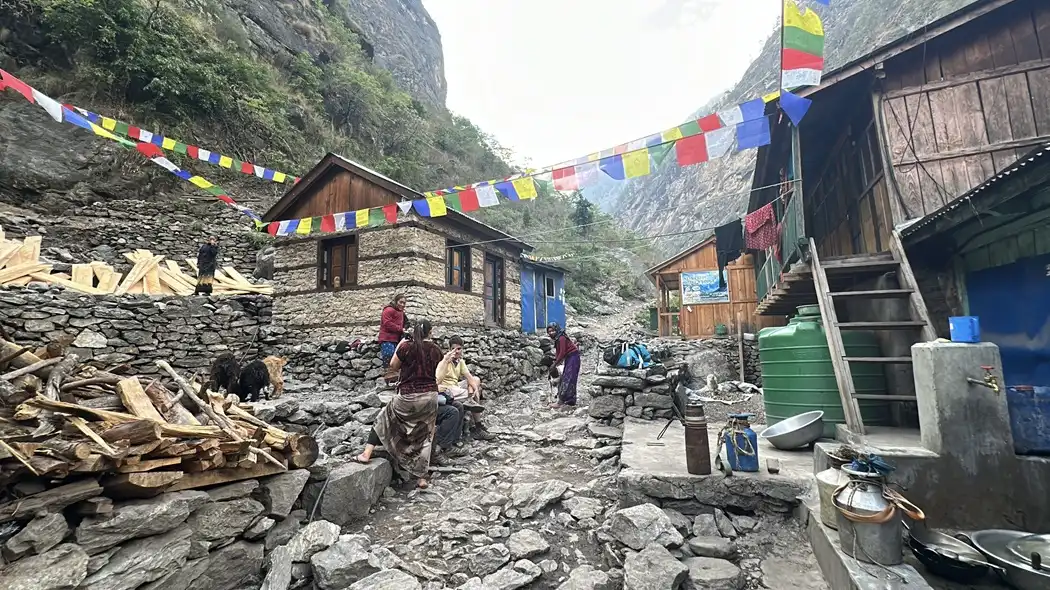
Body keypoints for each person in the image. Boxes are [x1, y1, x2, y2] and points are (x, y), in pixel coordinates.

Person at [356, 319, 441, 489]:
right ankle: (421, 477)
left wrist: (402, 342)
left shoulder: (406, 347)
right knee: (425, 435)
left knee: (383, 418)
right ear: (430, 332)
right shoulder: (436, 349)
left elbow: (394, 366)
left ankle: (367, 453)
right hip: (430, 396)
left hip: (407, 397)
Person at [436, 337, 494, 441]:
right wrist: (447, 361)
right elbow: (438, 379)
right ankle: (478, 426)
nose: (456, 351)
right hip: (446, 389)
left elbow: (469, 377)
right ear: (449, 349)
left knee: (476, 380)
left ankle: (470, 399)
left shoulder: (460, 362)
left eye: (459, 349)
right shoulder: (445, 360)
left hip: (456, 386)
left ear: (462, 349)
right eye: (453, 349)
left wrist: (475, 389)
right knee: (470, 387)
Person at [546, 322, 580, 410]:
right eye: (549, 331)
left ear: (556, 330)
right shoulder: (558, 338)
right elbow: (559, 352)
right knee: (570, 378)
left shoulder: (561, 338)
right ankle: (570, 400)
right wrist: (556, 360)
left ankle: (560, 402)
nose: (551, 333)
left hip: (573, 358)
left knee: (567, 379)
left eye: (553, 331)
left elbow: (562, 353)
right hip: (570, 358)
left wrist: (555, 364)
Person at [378, 294, 409, 367]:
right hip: (387, 339)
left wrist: (405, 328)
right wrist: (401, 329)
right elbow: (387, 324)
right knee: (389, 356)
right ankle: (388, 374)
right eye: (400, 302)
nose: (402, 304)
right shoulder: (388, 310)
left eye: (404, 303)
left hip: (396, 340)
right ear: (396, 301)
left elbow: (407, 322)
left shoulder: (401, 313)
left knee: (397, 359)